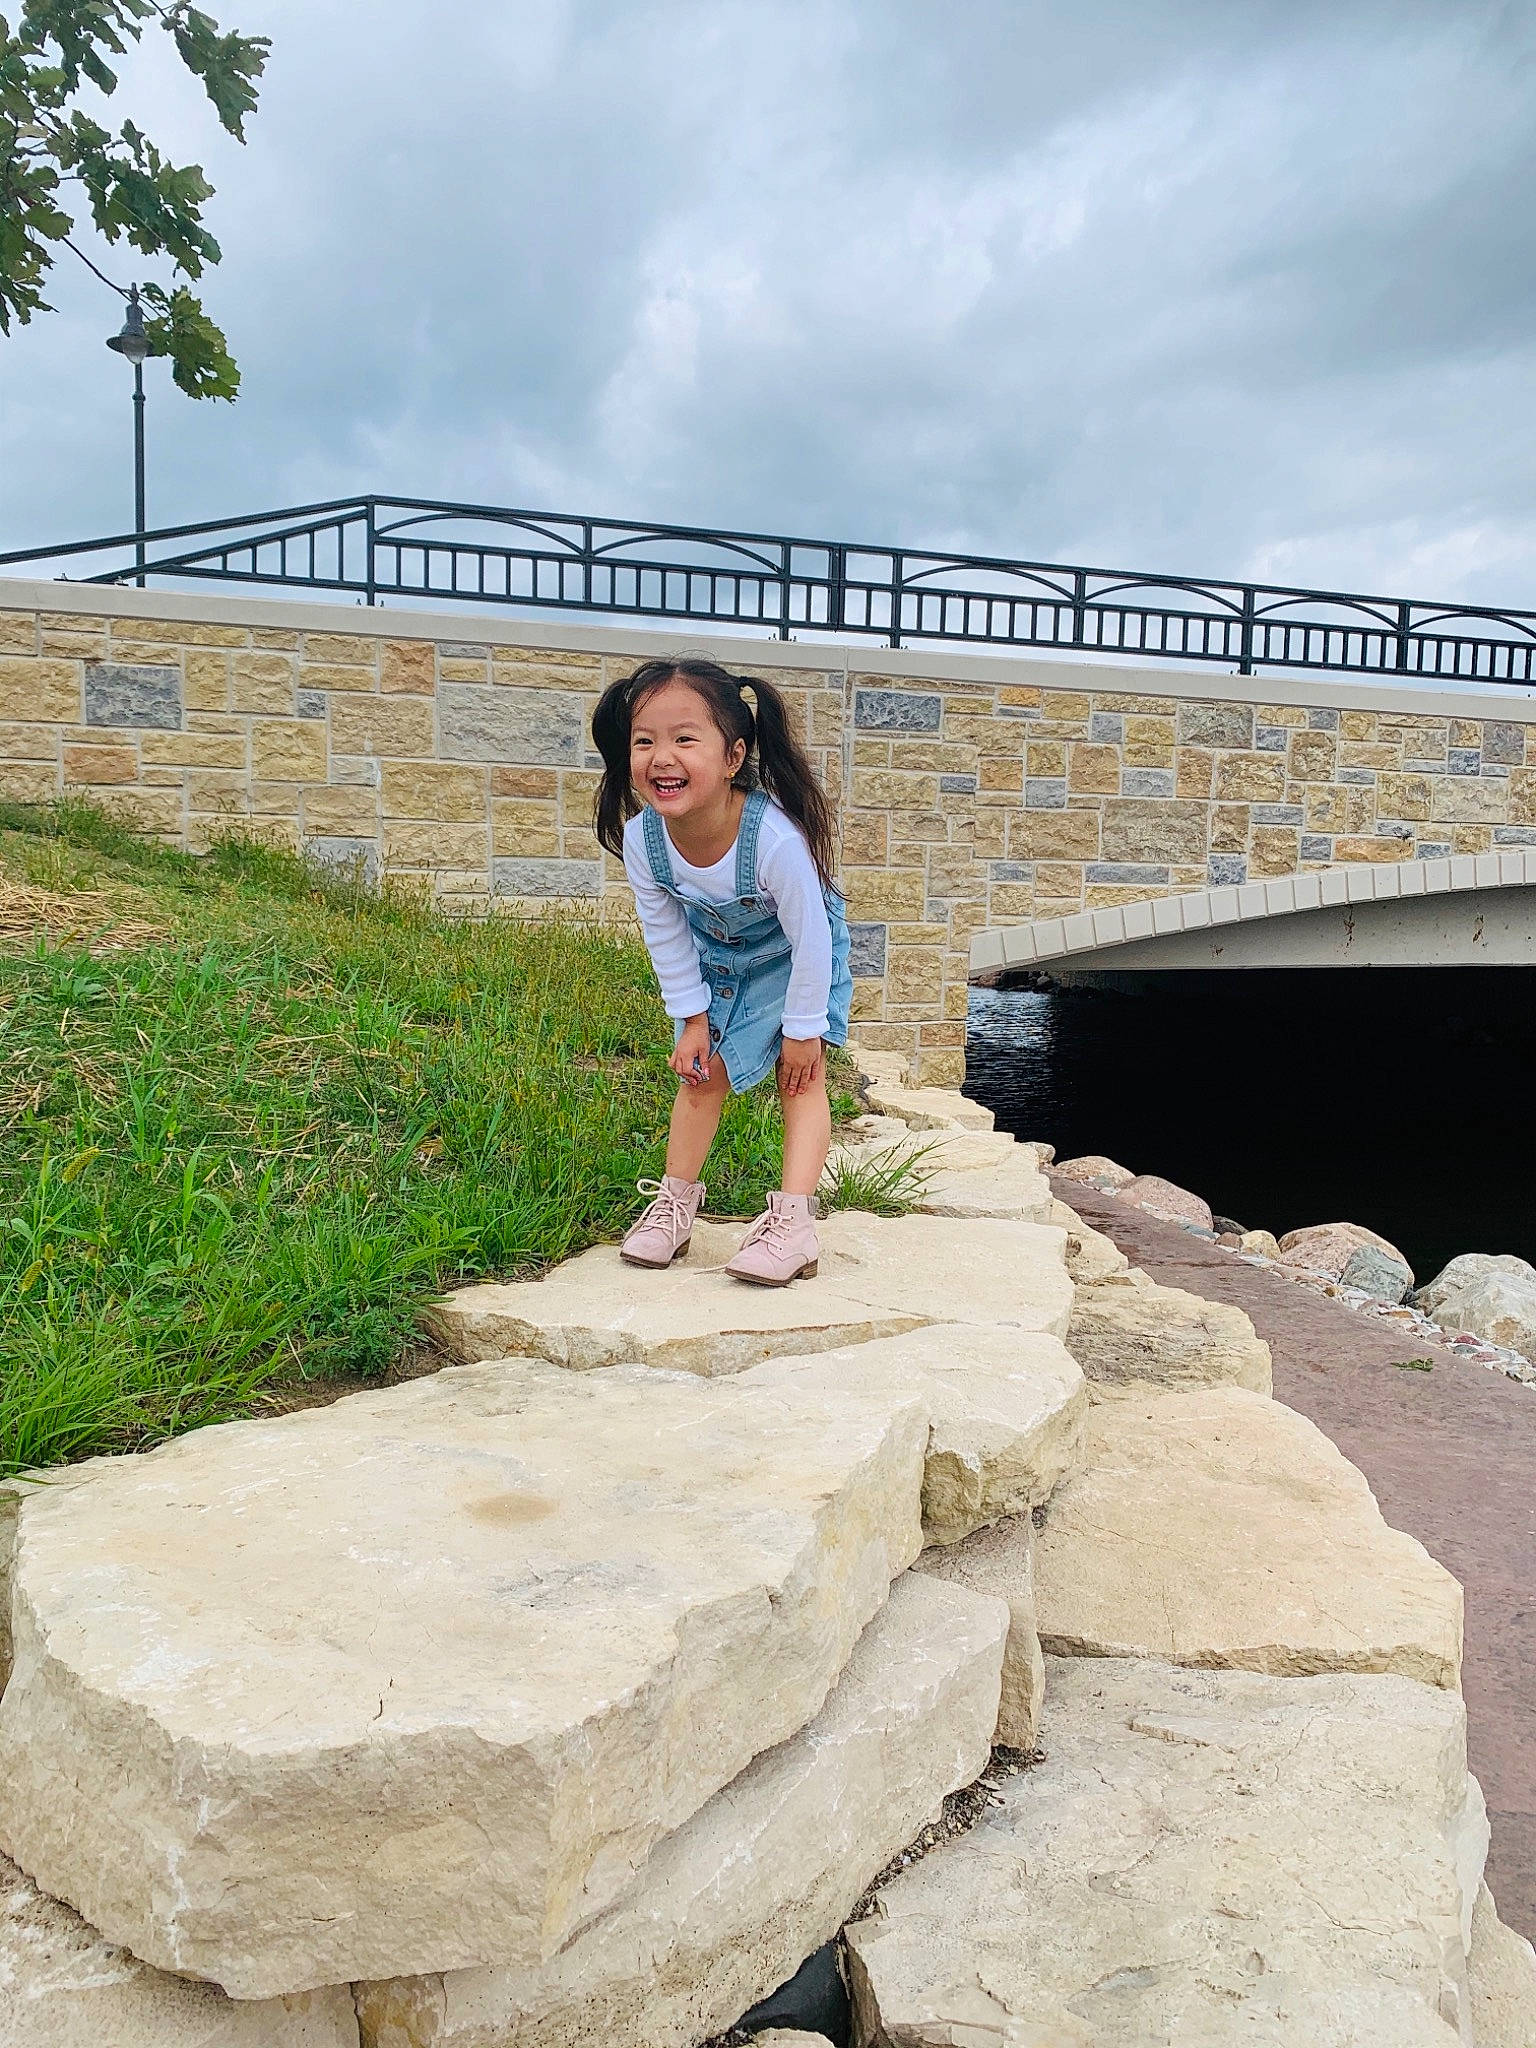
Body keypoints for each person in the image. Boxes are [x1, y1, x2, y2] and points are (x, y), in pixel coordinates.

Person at [592, 656, 852, 1285]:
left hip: (796, 960)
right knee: (701, 1076)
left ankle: (794, 1225)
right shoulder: (643, 840)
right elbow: (667, 935)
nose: (662, 757)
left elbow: (812, 937)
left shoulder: (774, 840)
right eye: (644, 740)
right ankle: (675, 1207)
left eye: (686, 739)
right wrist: (691, 1019)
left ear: (733, 756)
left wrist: (802, 1028)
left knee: (801, 1079)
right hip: (720, 960)